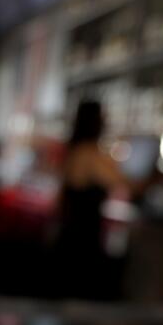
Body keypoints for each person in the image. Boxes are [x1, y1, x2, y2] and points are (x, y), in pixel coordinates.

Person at [54, 101, 130, 300]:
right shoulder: (89, 153)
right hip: (83, 235)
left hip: (68, 231)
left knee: (63, 289)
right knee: (80, 291)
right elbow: (122, 183)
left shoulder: (74, 150)